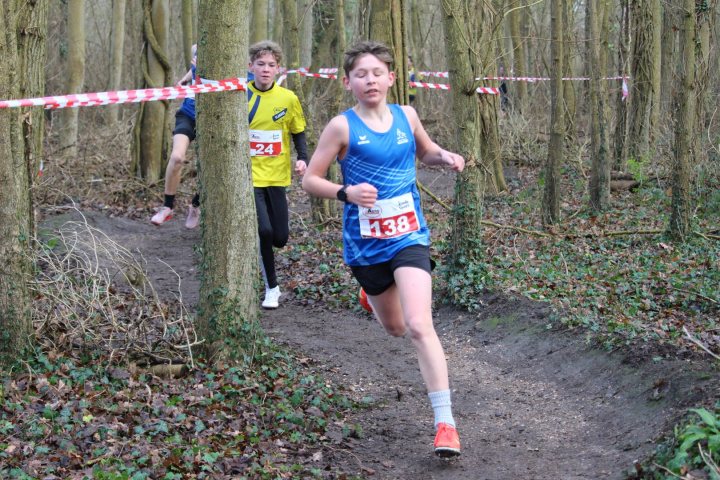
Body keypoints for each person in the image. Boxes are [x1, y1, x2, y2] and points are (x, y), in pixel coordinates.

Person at [302, 40, 464, 457]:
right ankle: (371, 295)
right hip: (365, 245)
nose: (370, 80)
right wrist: (346, 192)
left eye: (377, 73)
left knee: (419, 324)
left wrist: (445, 156)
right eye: (361, 74)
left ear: (392, 78)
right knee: (395, 327)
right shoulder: (341, 127)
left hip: (409, 235)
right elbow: (310, 180)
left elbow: (425, 152)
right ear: (348, 82)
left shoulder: (407, 116)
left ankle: (445, 424)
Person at [248, 40, 308, 309]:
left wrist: (303, 158)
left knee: (280, 238)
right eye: (260, 64)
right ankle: (272, 288)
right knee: (264, 230)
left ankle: (260, 249)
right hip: (250, 177)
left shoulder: (288, 98)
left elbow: (298, 130)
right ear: (250, 66)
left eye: (271, 65)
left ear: (278, 69)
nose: (265, 69)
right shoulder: (240, 96)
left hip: (277, 176)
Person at [151, 44, 202, 229]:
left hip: (212, 119)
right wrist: (186, 78)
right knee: (177, 157)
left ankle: (196, 205)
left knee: (207, 167)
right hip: (188, 114)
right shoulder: (198, 47)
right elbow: (194, 64)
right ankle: (167, 207)